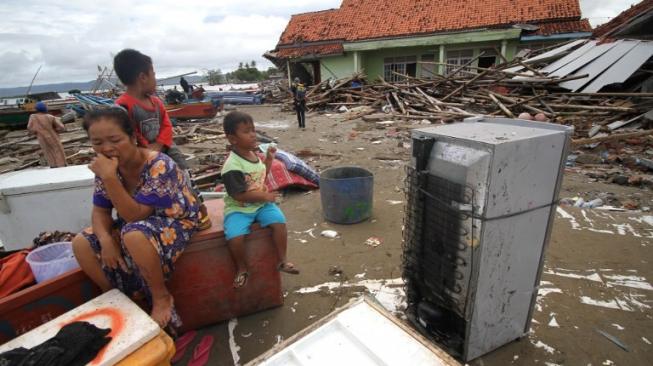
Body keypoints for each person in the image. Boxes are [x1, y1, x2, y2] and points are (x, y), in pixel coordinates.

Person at [71, 107, 199, 327]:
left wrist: (110, 177)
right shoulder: (108, 169)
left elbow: (135, 215)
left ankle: (161, 297)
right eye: (98, 143)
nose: (107, 148)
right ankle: (118, 298)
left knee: (134, 234)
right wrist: (105, 240)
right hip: (138, 224)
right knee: (81, 243)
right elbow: (100, 211)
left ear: (132, 137)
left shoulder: (158, 164)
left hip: (176, 220)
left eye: (114, 140)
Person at [113, 49, 210, 230]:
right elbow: (129, 132)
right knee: (148, 185)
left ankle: (198, 209)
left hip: (165, 147)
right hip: (141, 154)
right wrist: (147, 149)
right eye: (154, 75)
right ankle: (158, 217)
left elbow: (166, 124)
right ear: (143, 77)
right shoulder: (123, 106)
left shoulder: (156, 102)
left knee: (185, 174)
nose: (155, 79)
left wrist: (158, 145)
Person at [221, 111, 299, 288]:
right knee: (235, 237)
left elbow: (260, 175)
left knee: (279, 222)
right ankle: (242, 268)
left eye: (253, 130)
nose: (253, 134)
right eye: (247, 131)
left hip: (260, 205)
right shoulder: (232, 165)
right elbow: (238, 194)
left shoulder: (253, 155)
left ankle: (282, 261)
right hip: (239, 208)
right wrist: (265, 195)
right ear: (233, 139)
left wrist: (269, 160)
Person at [26, 102, 67, 168]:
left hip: (41, 137)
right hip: (52, 136)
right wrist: (56, 130)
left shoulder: (32, 116)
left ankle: (53, 165)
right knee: (58, 150)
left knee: (47, 151)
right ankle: (61, 165)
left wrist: (36, 132)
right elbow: (61, 127)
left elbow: (29, 128)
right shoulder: (50, 117)